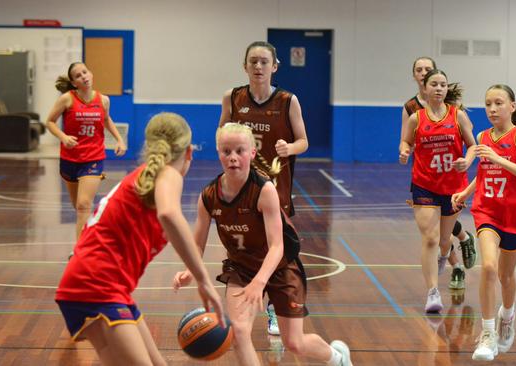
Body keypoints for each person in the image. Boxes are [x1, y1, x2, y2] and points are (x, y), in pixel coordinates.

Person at [173, 123, 351, 366]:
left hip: (280, 268)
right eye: (226, 151)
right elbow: (197, 244)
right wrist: (189, 270)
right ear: (218, 152)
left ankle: (337, 359)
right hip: (241, 268)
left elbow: (277, 246)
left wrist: (260, 282)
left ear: (252, 153)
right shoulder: (208, 196)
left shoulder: (264, 189)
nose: (233, 157)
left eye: (239, 151)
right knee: (239, 333)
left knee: (294, 342)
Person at [55, 112, 225, 366]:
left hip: (104, 286)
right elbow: (169, 214)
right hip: (96, 284)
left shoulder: (148, 178)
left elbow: (170, 225)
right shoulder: (168, 174)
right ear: (189, 152)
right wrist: (204, 280)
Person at [219, 41, 309, 336]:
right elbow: (222, 134)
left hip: (275, 189)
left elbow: (303, 141)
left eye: (263, 62)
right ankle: (242, 308)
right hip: (241, 189)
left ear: (275, 66)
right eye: (253, 62)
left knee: (277, 252)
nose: (258, 67)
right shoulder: (232, 98)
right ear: (244, 66)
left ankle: (273, 307)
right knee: (245, 249)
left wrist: (290, 147)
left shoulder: (287, 101)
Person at [451, 84, 516, 361]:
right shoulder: (482, 136)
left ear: (512, 106)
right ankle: (487, 334)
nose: (492, 109)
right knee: (488, 267)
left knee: (506, 276)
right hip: (487, 211)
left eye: (499, 103)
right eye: (488, 103)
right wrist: (465, 191)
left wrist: (500, 159)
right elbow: (485, 171)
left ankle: (508, 314)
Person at [399, 69, 476, 313]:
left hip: (454, 186)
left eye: (443, 84)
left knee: (444, 241)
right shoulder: (416, 118)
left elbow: (473, 145)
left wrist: (467, 159)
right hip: (424, 183)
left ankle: (445, 255)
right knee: (430, 238)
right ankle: (432, 293)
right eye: (434, 84)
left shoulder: (458, 116)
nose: (439, 88)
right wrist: (404, 151)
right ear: (426, 88)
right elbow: (405, 141)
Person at [46, 62, 127, 242]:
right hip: (70, 158)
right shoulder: (67, 99)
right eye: (78, 75)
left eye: (85, 72)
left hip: (93, 158)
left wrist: (120, 140)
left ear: (90, 74)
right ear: (74, 83)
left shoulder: (103, 100)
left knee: (83, 205)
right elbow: (50, 122)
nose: (83, 76)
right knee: (78, 206)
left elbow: (106, 120)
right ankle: (93, 233)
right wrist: (63, 137)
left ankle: (79, 251)